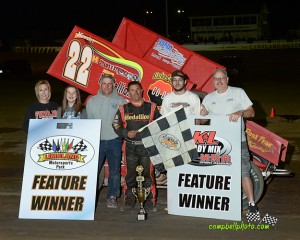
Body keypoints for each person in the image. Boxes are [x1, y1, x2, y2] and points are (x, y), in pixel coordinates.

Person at [200, 68, 258, 213]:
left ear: (227, 79)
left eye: (222, 78)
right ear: (213, 81)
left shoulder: (238, 92)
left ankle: (251, 203)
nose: (219, 81)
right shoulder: (208, 98)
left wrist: (240, 112)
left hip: (238, 142)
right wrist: (202, 114)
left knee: (244, 173)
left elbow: (251, 112)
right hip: (216, 144)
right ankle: (218, 203)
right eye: (216, 78)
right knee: (218, 175)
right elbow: (201, 121)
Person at [112, 81, 161, 212]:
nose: (135, 92)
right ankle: (129, 201)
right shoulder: (123, 108)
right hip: (130, 147)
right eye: (132, 90)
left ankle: (150, 202)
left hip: (147, 146)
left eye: (138, 89)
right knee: (130, 175)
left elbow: (160, 124)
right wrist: (126, 132)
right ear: (128, 92)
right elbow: (116, 125)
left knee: (148, 175)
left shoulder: (152, 107)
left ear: (142, 90)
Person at [86, 72, 126, 208]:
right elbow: (89, 122)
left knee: (115, 171)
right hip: (96, 141)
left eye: (110, 84)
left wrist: (120, 135)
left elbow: (124, 122)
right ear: (100, 84)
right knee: (93, 170)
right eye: (104, 83)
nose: (107, 86)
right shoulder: (92, 101)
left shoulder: (121, 101)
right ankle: (89, 195)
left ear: (114, 85)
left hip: (114, 140)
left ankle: (112, 196)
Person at [159, 69, 202, 186]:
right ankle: (174, 200)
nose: (177, 82)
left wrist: (195, 138)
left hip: (189, 139)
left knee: (190, 170)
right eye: (174, 80)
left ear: (185, 82)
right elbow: (163, 120)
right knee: (173, 170)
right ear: (172, 82)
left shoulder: (193, 97)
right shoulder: (167, 98)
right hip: (172, 140)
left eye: (180, 80)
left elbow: (198, 119)